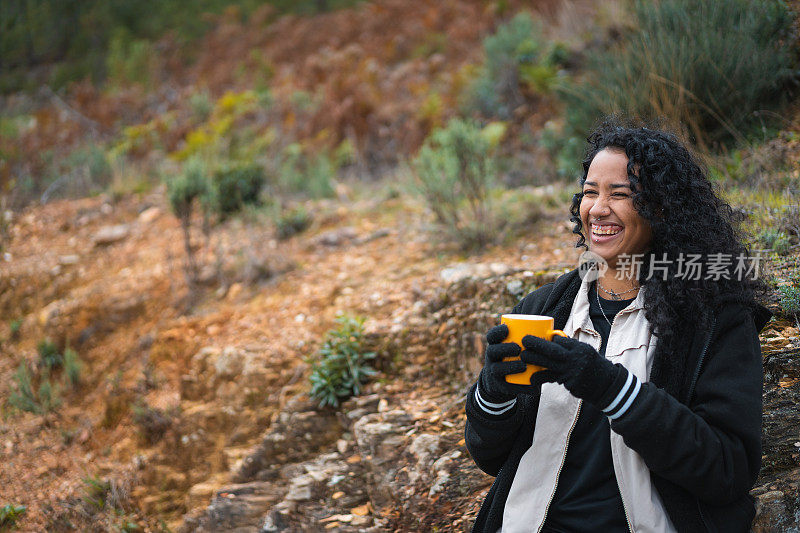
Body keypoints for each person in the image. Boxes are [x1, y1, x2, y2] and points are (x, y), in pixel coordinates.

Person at [465, 119, 773, 533]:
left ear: (663, 208)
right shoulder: (547, 308)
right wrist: (494, 392)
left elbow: (726, 470)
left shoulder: (713, 318)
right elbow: (489, 456)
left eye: (621, 194)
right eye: (590, 192)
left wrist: (610, 388)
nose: (597, 208)